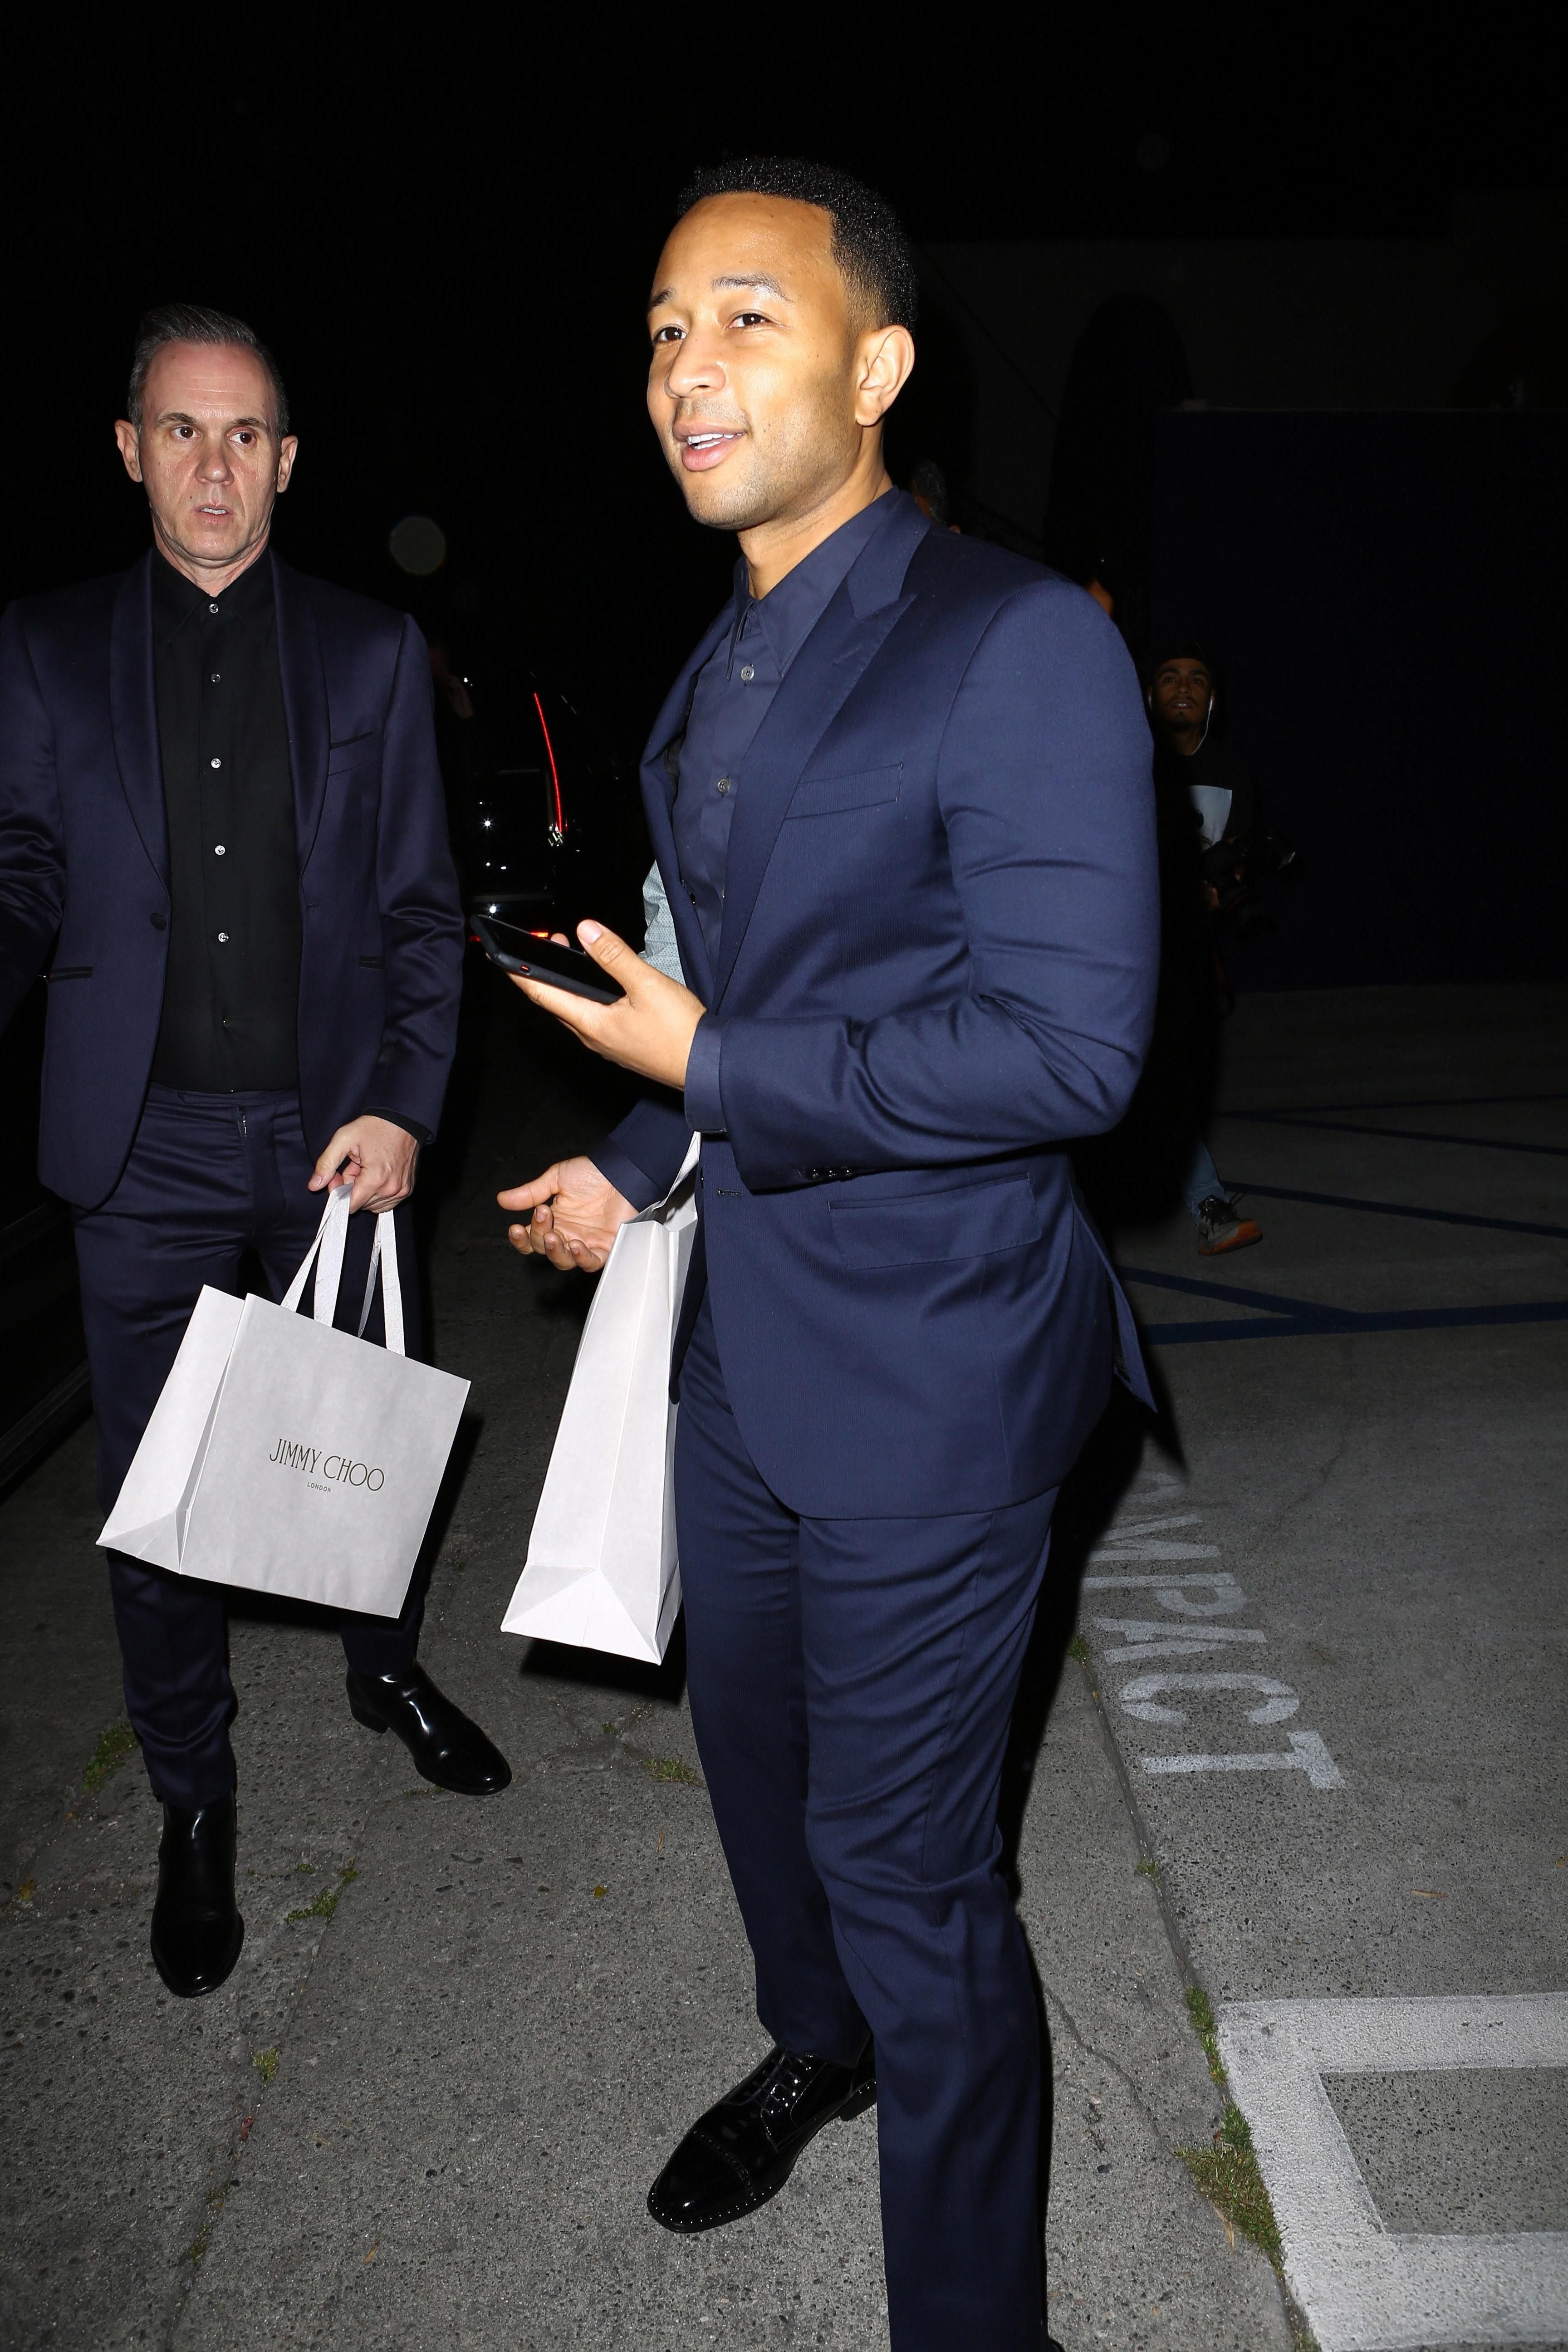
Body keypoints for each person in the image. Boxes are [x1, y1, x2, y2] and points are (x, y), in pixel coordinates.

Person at [496, 159, 1158, 2352]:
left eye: (745, 321)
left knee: (913, 1877)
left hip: (936, 1377)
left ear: (874, 367)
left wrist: (718, 1063)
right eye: (666, 329)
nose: (687, 368)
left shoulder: (1014, 639)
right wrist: (636, 1146)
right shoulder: (720, 656)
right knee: (756, 1776)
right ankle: (818, 2040)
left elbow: (1071, 1047)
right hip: (742, 1354)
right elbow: (733, 978)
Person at [0, 304, 509, 2004]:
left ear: (287, 462)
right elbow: (20, 878)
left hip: (327, 1139)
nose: (213, 465)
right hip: (133, 1148)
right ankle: (194, 1806)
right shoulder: (47, 646)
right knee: (156, 1510)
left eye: (245, 435)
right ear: (129, 446)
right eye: (180, 429)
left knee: (354, 1446)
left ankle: (382, 1663)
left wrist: (407, 1104)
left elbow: (424, 913)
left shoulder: (369, 653)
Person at [1147, 640, 1264, 1256]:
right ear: (1149, 696)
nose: (1183, 688)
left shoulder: (1232, 774)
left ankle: (1207, 1205)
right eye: (1169, 678)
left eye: (1196, 680)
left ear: (1212, 700)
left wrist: (1223, 897)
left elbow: (1238, 868)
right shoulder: (1126, 761)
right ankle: (1208, 1203)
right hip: (1122, 951)